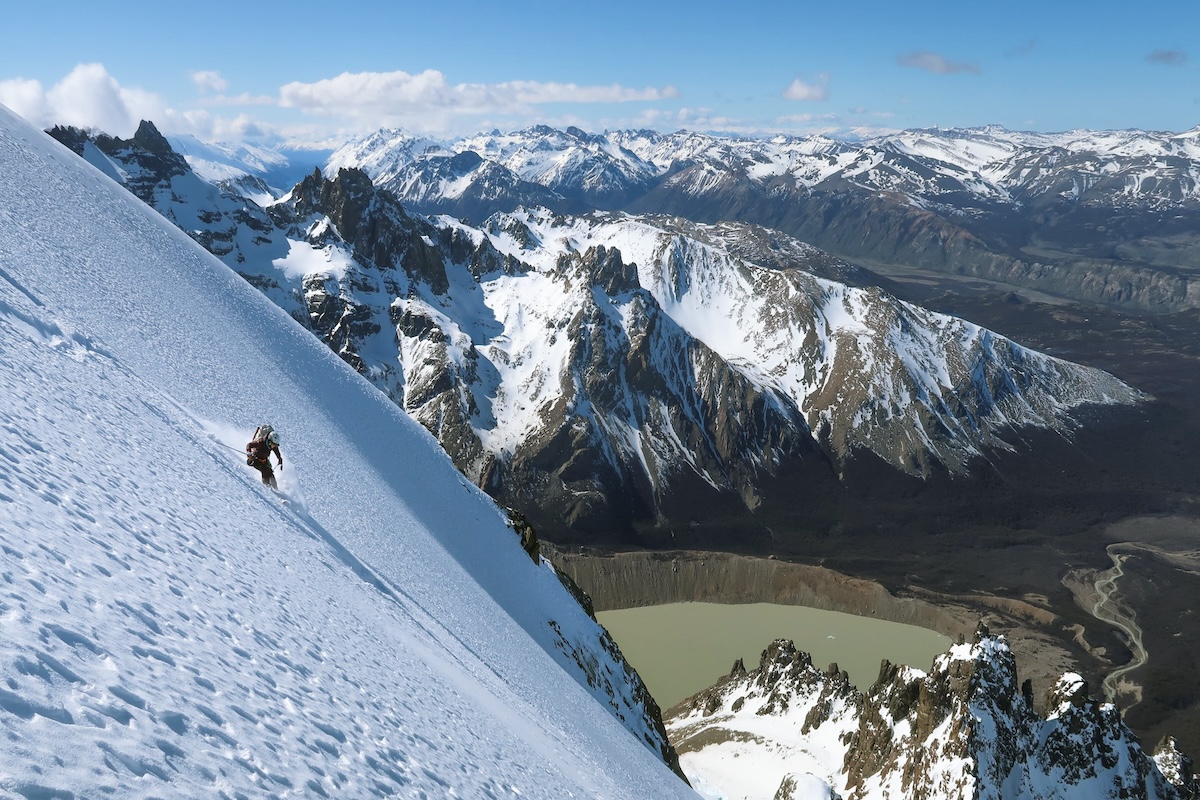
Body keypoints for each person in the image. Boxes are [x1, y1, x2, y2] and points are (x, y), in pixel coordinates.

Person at [246, 424, 283, 488]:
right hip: (255, 459)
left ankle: (275, 488)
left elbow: (276, 451)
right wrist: (249, 453)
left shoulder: (272, 445)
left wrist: (279, 459)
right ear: (270, 442)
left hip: (264, 460)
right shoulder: (260, 443)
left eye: (276, 445)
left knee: (270, 472)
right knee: (265, 470)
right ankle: (266, 487)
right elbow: (249, 445)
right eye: (274, 444)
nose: (275, 446)